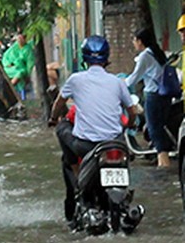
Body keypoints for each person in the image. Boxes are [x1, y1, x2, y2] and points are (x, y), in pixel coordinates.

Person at [48, 35, 135, 224]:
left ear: (84, 58)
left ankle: (78, 173)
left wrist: (54, 118)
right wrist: (130, 123)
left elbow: (58, 104)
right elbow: (132, 111)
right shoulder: (117, 82)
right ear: (107, 57)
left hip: (86, 146)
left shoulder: (75, 80)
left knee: (62, 129)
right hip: (115, 144)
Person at [125, 27, 172, 168]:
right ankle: (162, 160)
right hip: (165, 95)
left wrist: (119, 83)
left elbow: (132, 79)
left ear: (140, 41)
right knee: (159, 127)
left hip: (153, 96)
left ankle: (164, 162)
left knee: (154, 128)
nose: (133, 43)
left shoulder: (145, 56)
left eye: (134, 40)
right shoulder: (157, 53)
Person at [1, 31, 34, 101]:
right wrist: (8, 64)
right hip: (10, 68)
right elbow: (5, 57)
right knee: (18, 73)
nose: (20, 40)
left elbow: (29, 64)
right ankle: (10, 88)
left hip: (21, 69)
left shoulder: (27, 49)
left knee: (21, 73)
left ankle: (12, 87)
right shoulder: (14, 47)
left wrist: (28, 75)